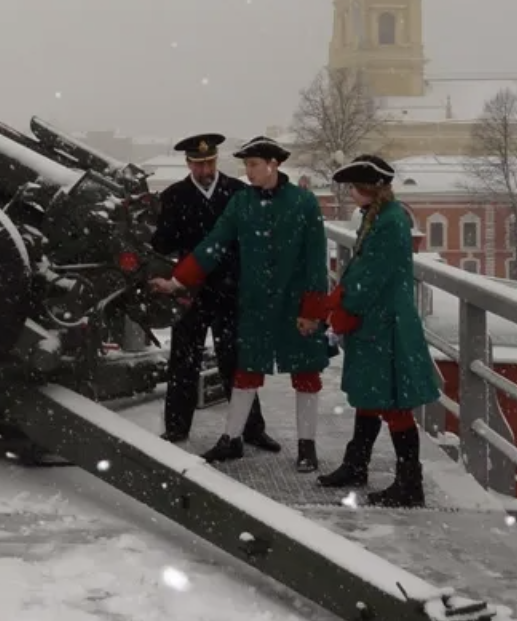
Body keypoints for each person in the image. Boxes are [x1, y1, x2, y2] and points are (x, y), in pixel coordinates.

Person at [151, 135, 334, 473]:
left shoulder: (303, 202)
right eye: (246, 165)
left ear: (273, 164)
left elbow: (315, 262)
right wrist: (178, 280)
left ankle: (306, 447)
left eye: (252, 165)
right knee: (245, 372)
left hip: (291, 305)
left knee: (305, 375)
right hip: (252, 302)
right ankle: (231, 438)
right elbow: (213, 245)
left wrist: (312, 311)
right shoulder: (241, 203)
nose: (247, 172)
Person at [314, 154, 442, 508]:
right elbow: (363, 270)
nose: (351, 193)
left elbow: (371, 277)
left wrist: (343, 306)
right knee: (370, 396)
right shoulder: (378, 217)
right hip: (377, 322)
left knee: (394, 405)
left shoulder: (389, 222)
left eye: (354, 187)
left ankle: (409, 484)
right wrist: (341, 298)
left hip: (386, 326)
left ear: (370, 188)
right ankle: (357, 464)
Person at [150, 133, 277, 452]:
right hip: (189, 292)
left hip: (230, 289)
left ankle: (251, 429)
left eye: (209, 162)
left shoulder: (238, 192)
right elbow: (162, 246)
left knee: (235, 361)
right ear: (188, 163)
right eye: (198, 163)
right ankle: (177, 428)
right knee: (183, 361)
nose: (204, 168)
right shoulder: (174, 196)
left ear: (216, 160)